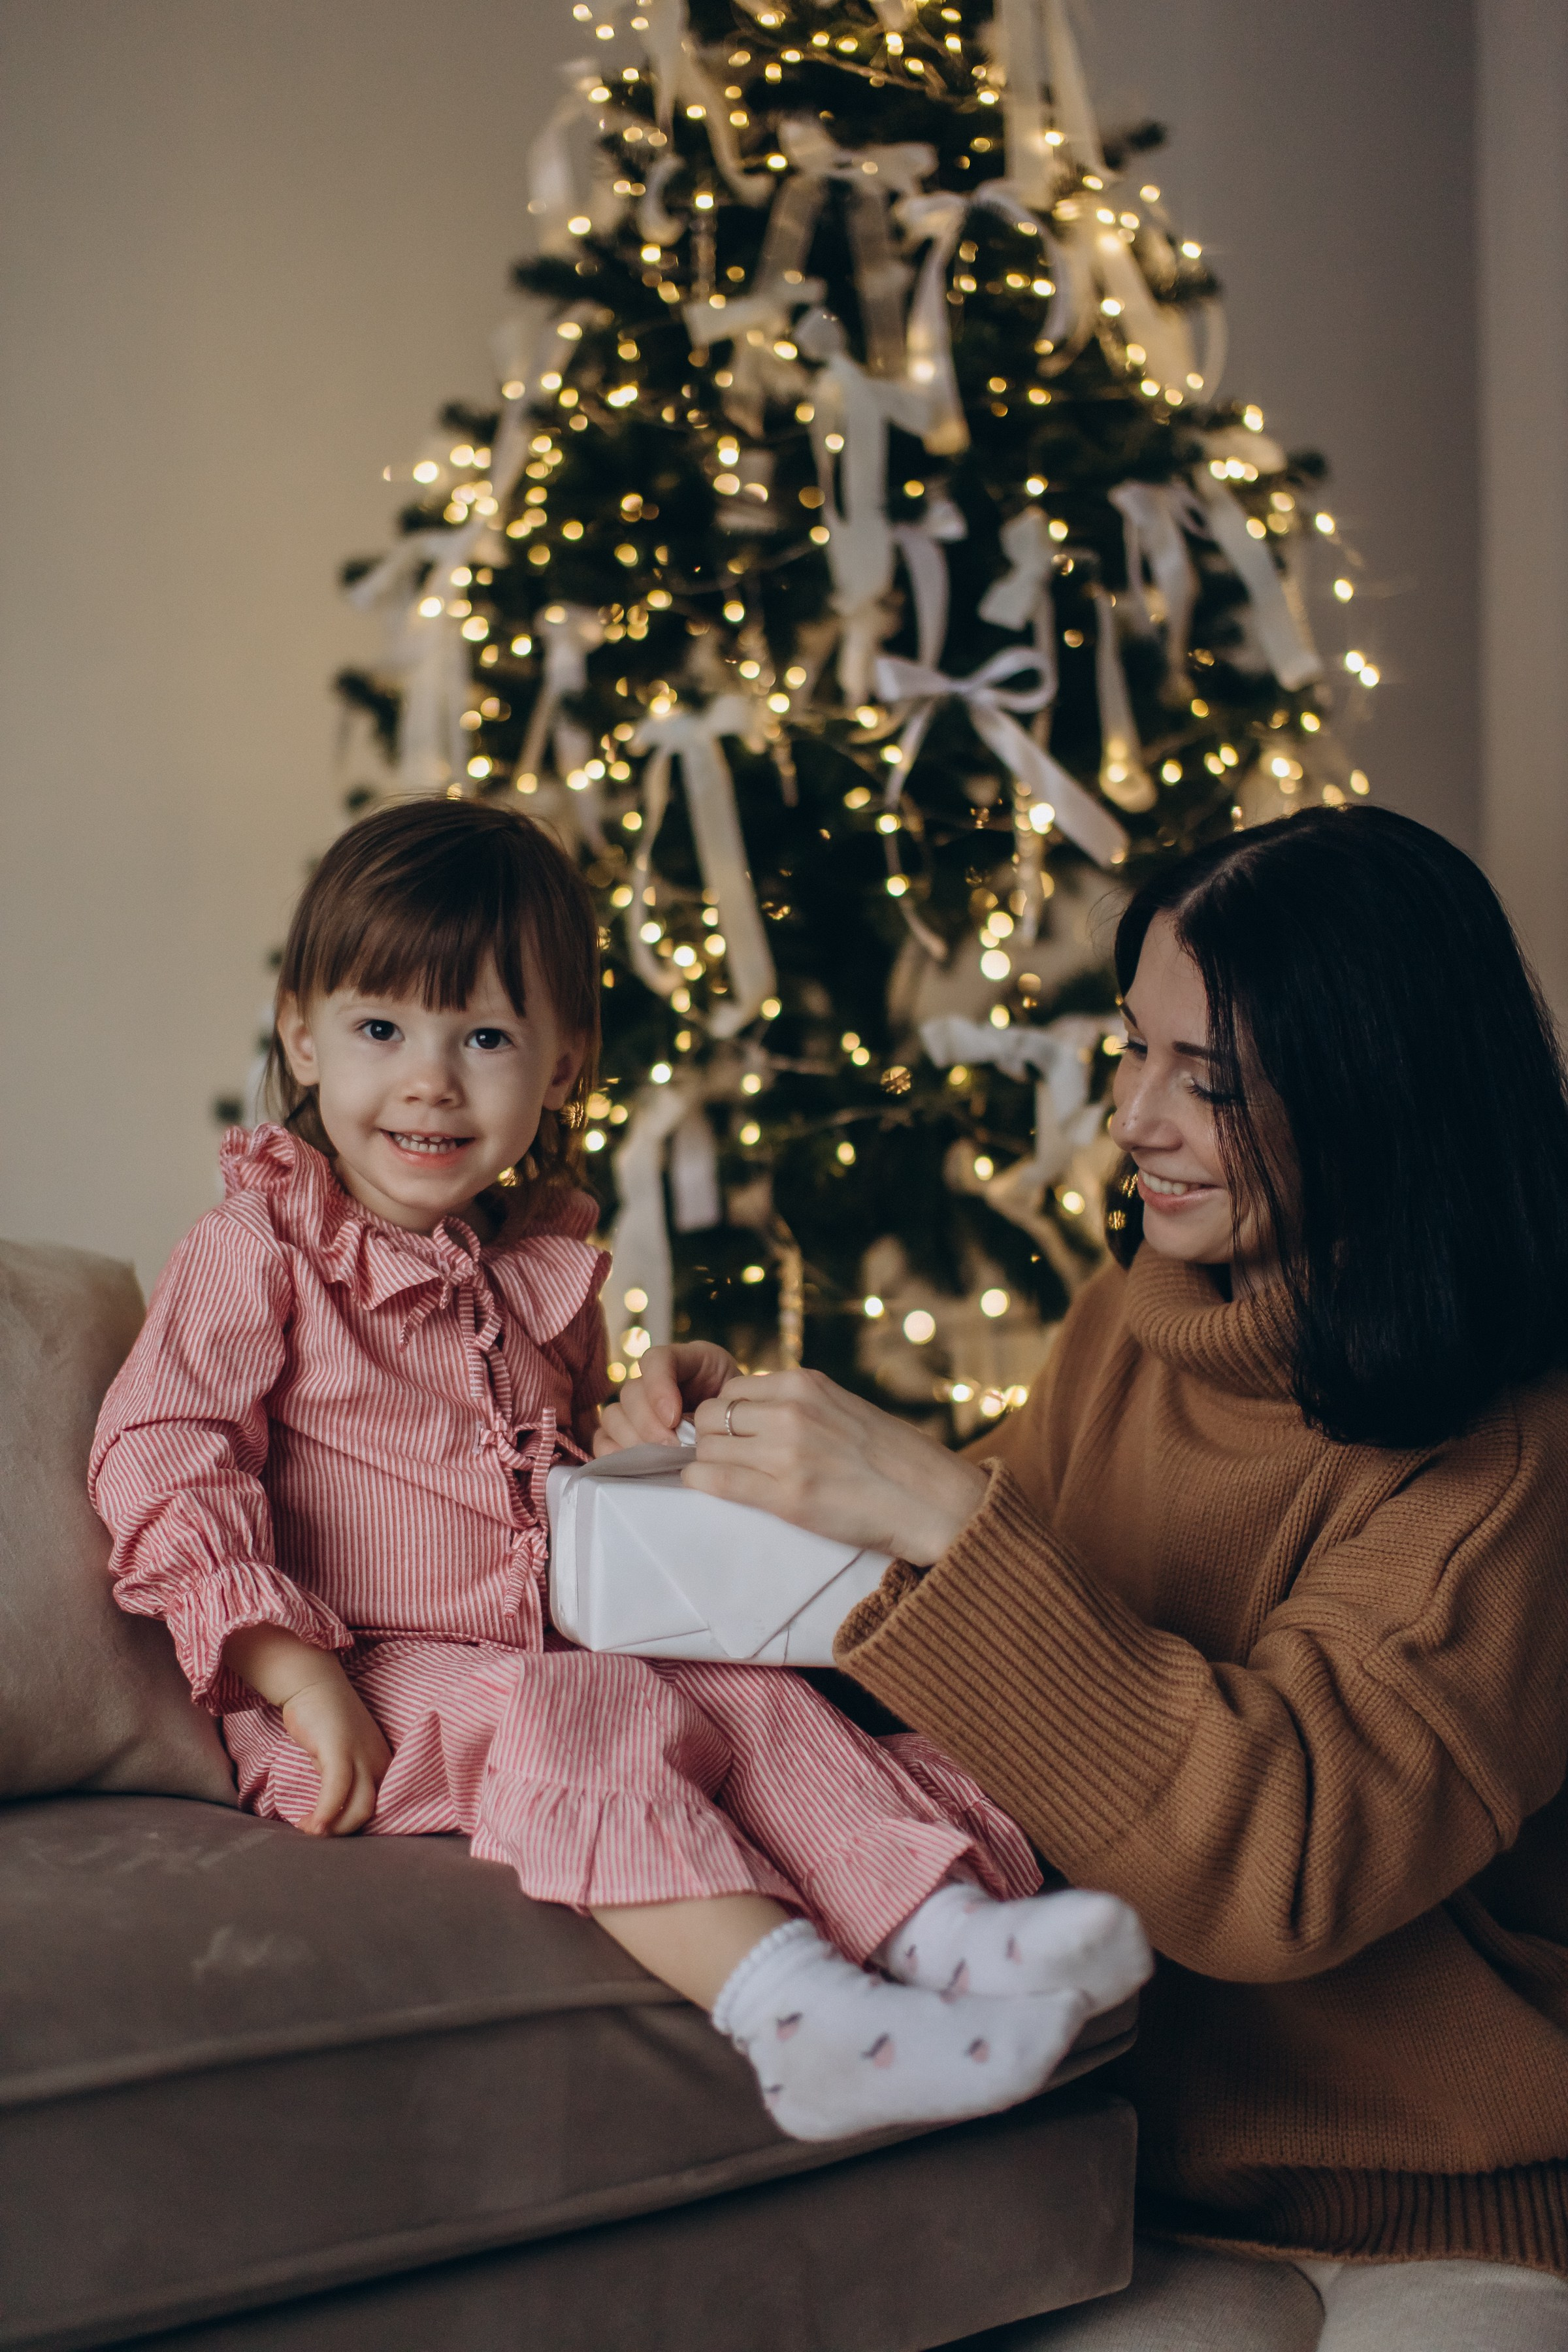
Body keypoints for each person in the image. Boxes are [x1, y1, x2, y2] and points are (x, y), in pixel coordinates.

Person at [602, 808, 1568, 2344]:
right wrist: (746, 1465)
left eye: (1214, 1082)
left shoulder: (1510, 1464)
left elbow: (1284, 1863)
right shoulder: (1139, 1317)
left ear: (1379, 1097)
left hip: (1434, 2220)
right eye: (1132, 1051)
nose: (1133, 1119)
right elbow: (993, 1638)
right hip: (1104, 2184)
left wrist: (941, 1517)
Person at [89, 798, 1151, 2149]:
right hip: (350, 1685)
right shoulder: (259, 1251)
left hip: (538, 1642)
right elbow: (164, 1451)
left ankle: (944, 1932)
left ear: (563, 1066)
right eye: (380, 1030)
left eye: (485, 1037)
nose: (430, 1080)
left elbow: (549, 1500)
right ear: (302, 1033)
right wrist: (289, 1671)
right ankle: (800, 2018)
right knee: (571, 1701)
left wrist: (649, 1426)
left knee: (745, 1696)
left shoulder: (538, 1272)